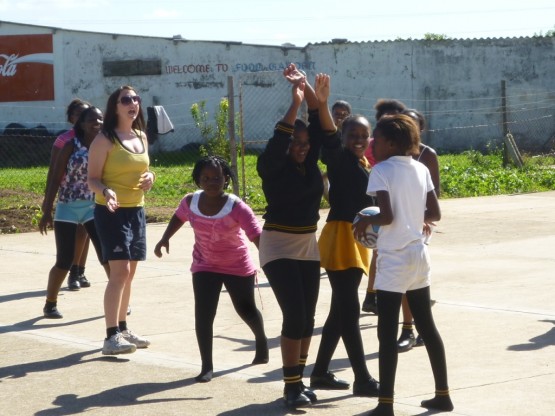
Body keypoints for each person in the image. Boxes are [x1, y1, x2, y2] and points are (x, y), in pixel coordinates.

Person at [353, 114, 453, 416]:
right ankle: (442, 395)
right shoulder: (420, 167)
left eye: (377, 140)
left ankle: (385, 405)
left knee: (386, 333)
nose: (373, 145)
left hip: (394, 258)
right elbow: (434, 213)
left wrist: (367, 220)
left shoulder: (381, 170)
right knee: (428, 326)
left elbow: (386, 217)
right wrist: (415, 217)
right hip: (419, 255)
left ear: (391, 143)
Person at [153, 155, 268, 383]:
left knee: (245, 309)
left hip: (237, 265)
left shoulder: (237, 206)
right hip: (204, 264)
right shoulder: (190, 202)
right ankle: (207, 365)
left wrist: (271, 260)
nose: (211, 182)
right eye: (206, 178)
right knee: (204, 314)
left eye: (217, 178)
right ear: (198, 179)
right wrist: (164, 238)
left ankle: (261, 340)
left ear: (225, 179)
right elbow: (178, 217)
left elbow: (256, 235)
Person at [256, 64, 330, 409]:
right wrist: (295, 102)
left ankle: (298, 381)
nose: (300, 147)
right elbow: (281, 139)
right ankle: (290, 387)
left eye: (304, 143)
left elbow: (317, 119)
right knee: (295, 316)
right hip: (278, 244)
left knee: (309, 318)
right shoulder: (271, 165)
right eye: (294, 143)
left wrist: (307, 87)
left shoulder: (309, 160)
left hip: (307, 245)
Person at [309, 113, 380, 397]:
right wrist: (322, 104)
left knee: (340, 312)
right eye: (352, 135)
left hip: (355, 239)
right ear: (342, 136)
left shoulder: (362, 162)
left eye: (363, 136)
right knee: (349, 311)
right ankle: (362, 379)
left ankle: (319, 373)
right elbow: (328, 139)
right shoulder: (339, 159)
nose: (359, 141)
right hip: (342, 239)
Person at [87, 85, 155, 355]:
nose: (133, 103)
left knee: (130, 274)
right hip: (110, 212)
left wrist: (152, 177)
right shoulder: (104, 140)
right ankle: (110, 336)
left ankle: (123, 328)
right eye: (126, 99)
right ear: (115, 106)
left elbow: (145, 169)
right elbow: (92, 179)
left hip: (136, 210)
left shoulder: (141, 135)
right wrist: (106, 190)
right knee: (120, 272)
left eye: (136, 98)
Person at [39, 106, 109, 318]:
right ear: (81, 124)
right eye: (91, 120)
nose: (96, 122)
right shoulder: (71, 145)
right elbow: (55, 177)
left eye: (100, 119)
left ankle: (121, 301)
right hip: (67, 207)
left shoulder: (106, 146)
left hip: (93, 207)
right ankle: (50, 303)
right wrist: (47, 209)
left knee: (106, 255)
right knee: (65, 259)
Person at [396, 108, 441, 352]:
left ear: (420, 130)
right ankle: (413, 328)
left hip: (421, 222)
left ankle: (410, 328)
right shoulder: (391, 156)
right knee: (403, 277)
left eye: (411, 126)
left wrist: (419, 217)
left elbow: (435, 197)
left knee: (414, 276)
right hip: (398, 222)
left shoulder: (427, 155)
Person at [361, 98, 407, 314]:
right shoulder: (375, 151)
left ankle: (376, 295)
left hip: (399, 201)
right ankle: (374, 294)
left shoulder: (408, 157)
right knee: (381, 251)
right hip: (381, 197)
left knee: (384, 252)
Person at [42, 99, 92, 291]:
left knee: (85, 233)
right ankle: (72, 271)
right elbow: (53, 172)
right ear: (71, 118)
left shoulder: (96, 138)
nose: (82, 118)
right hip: (69, 196)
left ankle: (79, 270)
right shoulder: (65, 140)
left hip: (92, 196)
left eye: (86, 114)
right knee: (73, 237)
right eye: (78, 114)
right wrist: (47, 201)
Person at [322, 100, 352, 202]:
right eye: (337, 114)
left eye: (344, 115)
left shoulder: (352, 134)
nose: (340, 117)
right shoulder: (328, 135)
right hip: (335, 175)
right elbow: (325, 159)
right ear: (331, 115)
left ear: (349, 116)